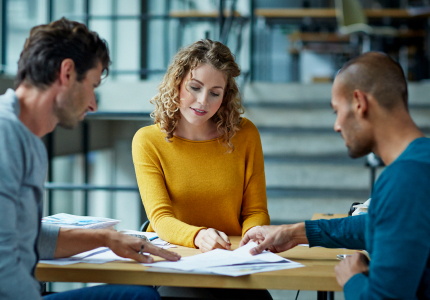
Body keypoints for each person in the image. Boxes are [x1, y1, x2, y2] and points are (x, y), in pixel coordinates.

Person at [0, 18, 180, 300]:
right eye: (93, 85)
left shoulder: (26, 138)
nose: (94, 104)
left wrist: (106, 238)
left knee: (138, 295)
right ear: (67, 73)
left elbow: (28, 235)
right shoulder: (5, 134)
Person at [240, 52, 430, 299]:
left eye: (337, 111)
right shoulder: (422, 158)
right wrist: (297, 232)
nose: (337, 125)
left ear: (359, 103)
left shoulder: (404, 179)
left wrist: (352, 279)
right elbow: (380, 224)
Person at [132, 39, 272, 299]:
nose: (202, 101)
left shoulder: (245, 134)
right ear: (177, 83)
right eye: (194, 88)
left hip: (233, 261)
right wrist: (198, 236)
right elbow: (160, 218)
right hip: (175, 262)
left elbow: (256, 210)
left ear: (225, 96)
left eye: (215, 93)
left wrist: (253, 233)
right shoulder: (147, 140)